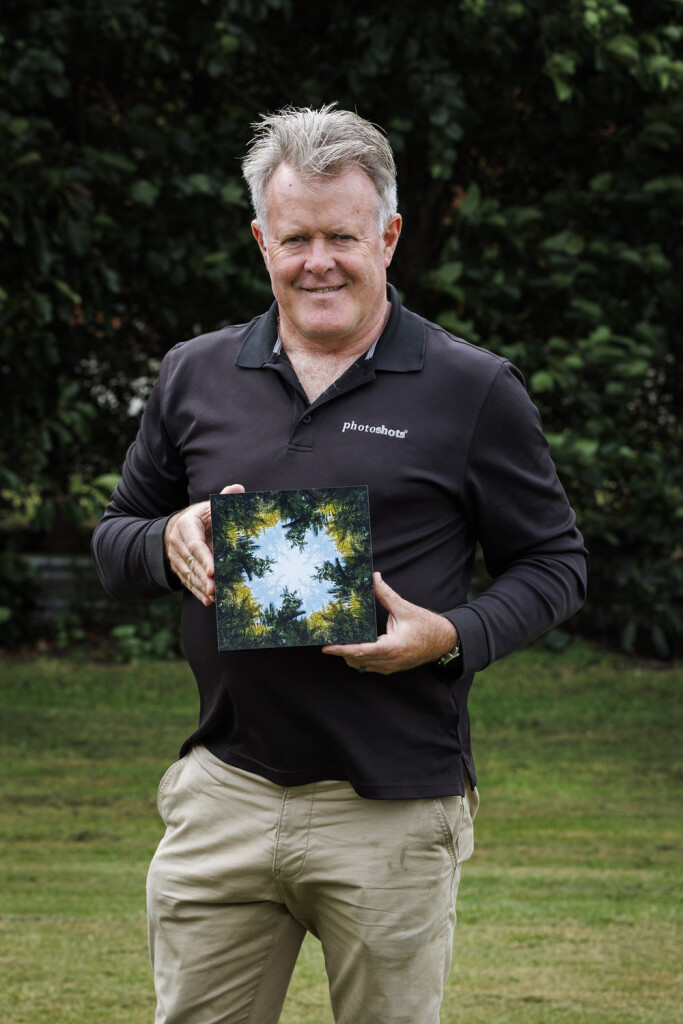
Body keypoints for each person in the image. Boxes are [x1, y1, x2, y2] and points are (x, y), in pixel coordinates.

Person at [92, 104, 587, 1024]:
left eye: (342, 238)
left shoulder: (471, 387)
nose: (317, 261)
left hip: (391, 806)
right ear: (261, 242)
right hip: (225, 794)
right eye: (295, 238)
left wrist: (451, 636)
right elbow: (114, 539)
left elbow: (554, 562)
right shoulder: (195, 373)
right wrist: (165, 540)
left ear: (387, 238)